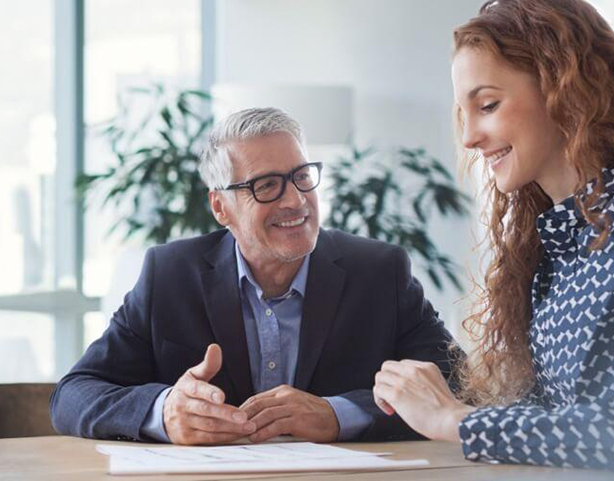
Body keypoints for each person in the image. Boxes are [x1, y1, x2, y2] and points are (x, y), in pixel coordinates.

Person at [373, 0, 614, 476]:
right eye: (462, 113)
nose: (468, 137)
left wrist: (460, 420)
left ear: (563, 89)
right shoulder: (550, 241)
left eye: (487, 105)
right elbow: (555, 424)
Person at [50, 107, 456, 445]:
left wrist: (338, 414)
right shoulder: (170, 275)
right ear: (220, 207)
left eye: (301, 176)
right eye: (267, 186)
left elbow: (457, 386)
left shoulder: (379, 272)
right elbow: (73, 395)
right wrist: (165, 411)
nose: (295, 201)